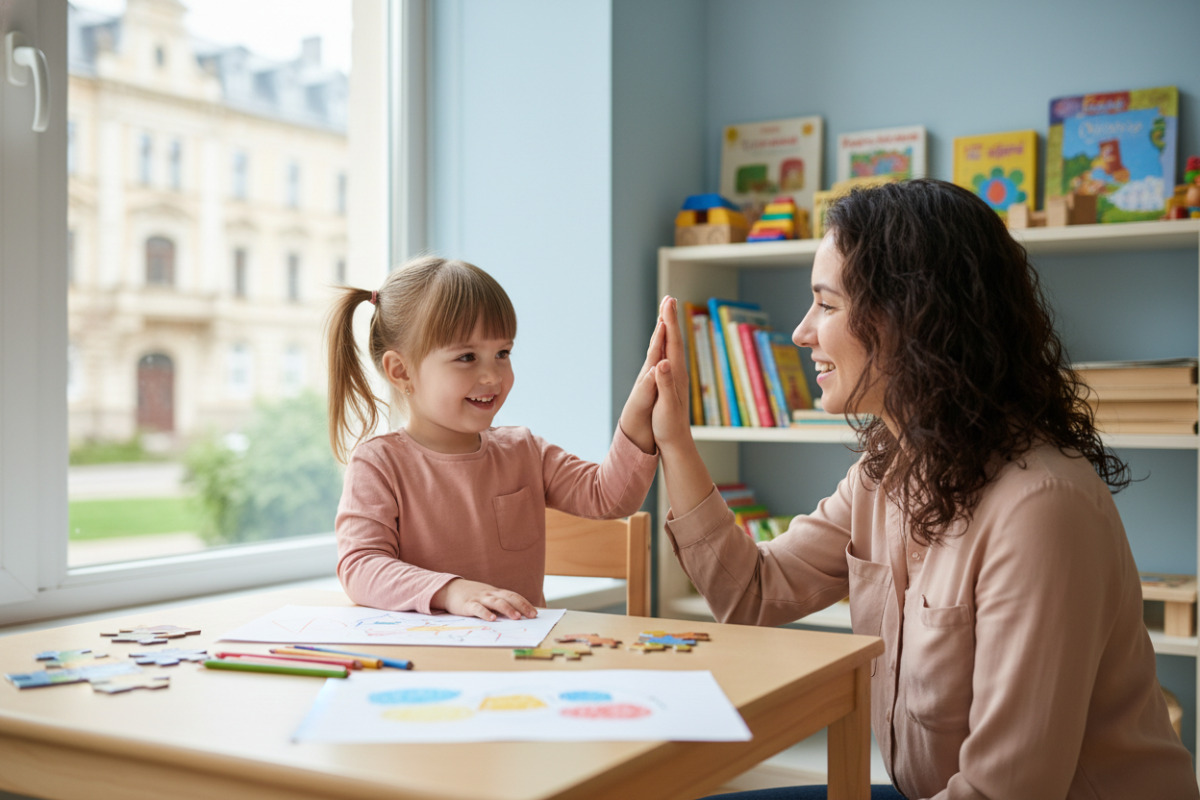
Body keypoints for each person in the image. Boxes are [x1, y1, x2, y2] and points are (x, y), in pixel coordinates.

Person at [647, 180, 1200, 799]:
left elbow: (1001, 792)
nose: (801, 333)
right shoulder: (885, 473)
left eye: (826, 306)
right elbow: (752, 594)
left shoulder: (1042, 508)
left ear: (908, 319)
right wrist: (675, 439)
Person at [327, 255, 660, 622]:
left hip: (520, 656)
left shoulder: (524, 450)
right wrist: (451, 591)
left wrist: (639, 411)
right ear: (401, 370)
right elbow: (361, 566)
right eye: (467, 357)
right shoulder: (378, 464)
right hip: (428, 659)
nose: (492, 376)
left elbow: (609, 497)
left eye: (502, 353)